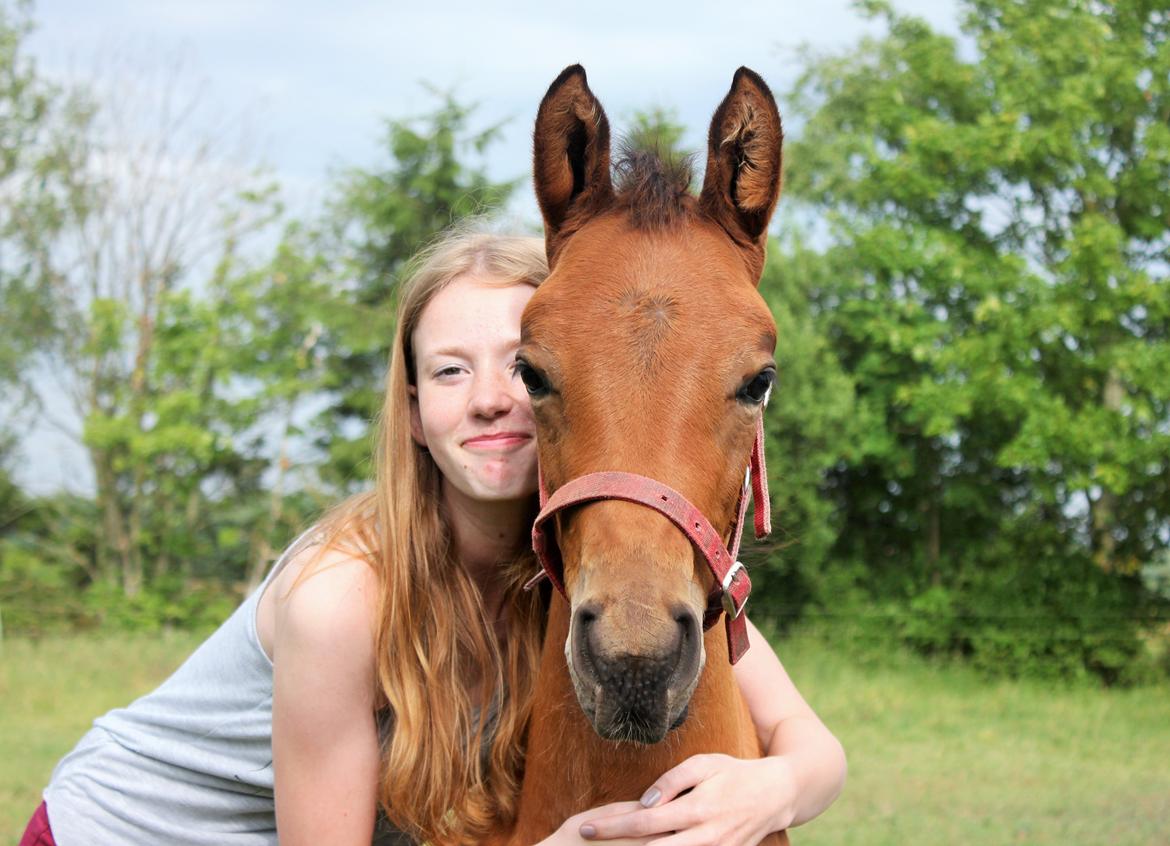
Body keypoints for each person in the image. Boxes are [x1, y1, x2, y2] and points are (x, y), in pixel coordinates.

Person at [21, 226, 846, 846]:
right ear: (413, 412)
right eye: (451, 370)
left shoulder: (589, 556)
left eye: (520, 369)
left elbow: (812, 748)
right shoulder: (340, 598)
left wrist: (771, 792)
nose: (490, 400)